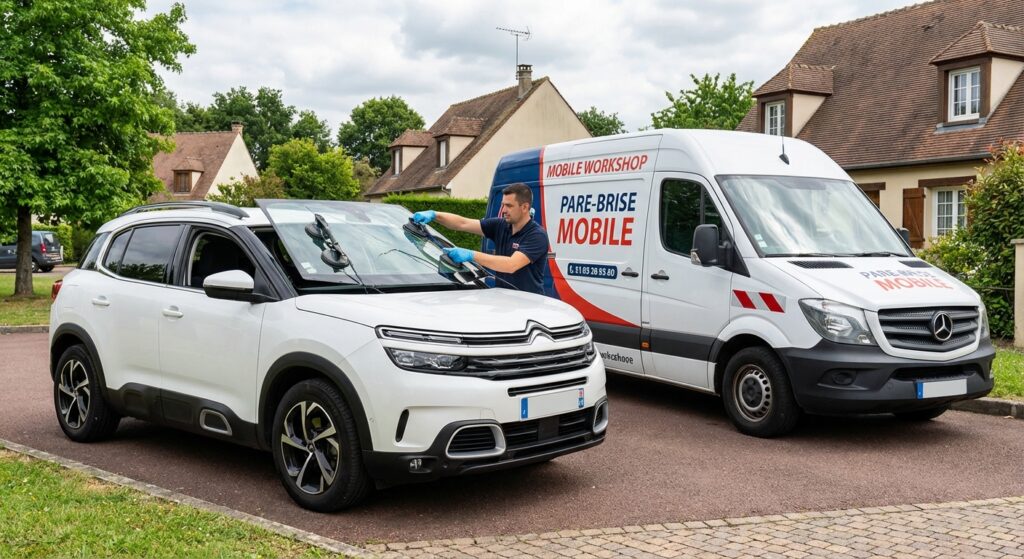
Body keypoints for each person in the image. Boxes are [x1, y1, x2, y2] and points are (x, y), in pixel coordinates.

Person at [412, 183, 549, 295]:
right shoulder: (501, 225)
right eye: (503, 205)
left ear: (525, 207)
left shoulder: (536, 235)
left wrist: (472, 255)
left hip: (529, 304)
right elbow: (463, 223)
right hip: (505, 301)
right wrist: (435, 215)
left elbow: (511, 265)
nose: (504, 210)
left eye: (509, 206)